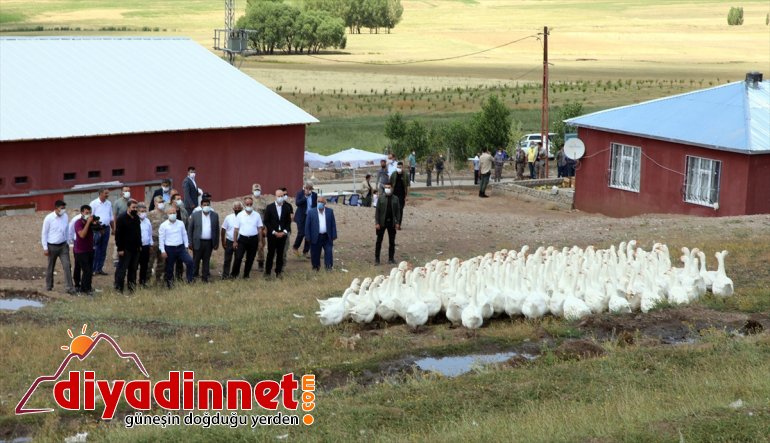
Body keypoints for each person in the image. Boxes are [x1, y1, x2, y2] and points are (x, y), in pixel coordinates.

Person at [41, 200, 75, 294]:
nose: (63, 210)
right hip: (52, 246)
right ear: (56, 208)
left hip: (63, 245)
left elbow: (67, 230)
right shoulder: (49, 218)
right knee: (51, 266)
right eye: (61, 208)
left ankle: (69, 287)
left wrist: (68, 242)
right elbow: (44, 233)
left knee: (67, 265)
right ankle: (49, 285)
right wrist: (45, 247)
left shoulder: (65, 216)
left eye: (64, 208)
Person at [159, 206, 194, 287]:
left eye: (174, 213)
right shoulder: (163, 225)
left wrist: (186, 246)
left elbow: (184, 235)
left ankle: (190, 280)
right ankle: (170, 284)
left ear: (176, 213)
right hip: (169, 248)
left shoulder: (180, 223)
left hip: (181, 248)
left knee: (190, 262)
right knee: (169, 267)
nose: (172, 214)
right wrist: (163, 251)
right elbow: (161, 239)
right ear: (167, 214)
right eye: (170, 213)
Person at [187, 197, 219, 283]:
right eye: (204, 205)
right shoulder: (195, 215)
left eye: (208, 205)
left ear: (210, 205)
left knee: (206, 260)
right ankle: (193, 277)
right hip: (198, 242)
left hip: (209, 242)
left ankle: (205, 278)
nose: (206, 206)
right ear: (201, 206)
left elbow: (217, 230)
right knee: (195, 260)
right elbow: (190, 229)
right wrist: (190, 242)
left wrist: (216, 242)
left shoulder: (215, 215)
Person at [263, 189, 292, 279]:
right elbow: (266, 221)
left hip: (283, 235)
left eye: (282, 196)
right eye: (278, 196)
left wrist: (284, 232)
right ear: (275, 196)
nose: (280, 198)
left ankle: (278, 272)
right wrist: (274, 232)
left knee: (280, 254)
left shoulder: (287, 208)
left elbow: (288, 222)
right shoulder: (269, 207)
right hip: (272, 235)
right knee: (270, 254)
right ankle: (267, 272)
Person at [231, 196, 263, 279]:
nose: (249, 206)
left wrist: (260, 241)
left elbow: (259, 229)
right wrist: (235, 241)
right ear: (244, 205)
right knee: (238, 257)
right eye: (247, 204)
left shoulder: (257, 215)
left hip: (253, 239)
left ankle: (246, 275)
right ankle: (234, 274)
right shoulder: (240, 215)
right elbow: (236, 229)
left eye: (250, 204)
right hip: (242, 239)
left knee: (250, 258)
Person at [114, 199, 141, 293]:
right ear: (128, 207)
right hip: (125, 249)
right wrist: (120, 249)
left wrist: (139, 245)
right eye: (133, 207)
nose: (135, 209)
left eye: (136, 208)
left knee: (133, 269)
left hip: (135, 249)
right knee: (122, 269)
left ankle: (131, 288)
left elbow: (138, 232)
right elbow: (118, 235)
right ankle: (119, 288)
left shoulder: (136, 217)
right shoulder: (121, 218)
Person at [305, 196, 337, 271]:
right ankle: (316, 268)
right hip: (315, 237)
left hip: (327, 236)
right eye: (318, 201)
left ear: (325, 203)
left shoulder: (330, 211)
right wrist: (307, 236)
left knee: (329, 252)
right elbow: (307, 225)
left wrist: (334, 235)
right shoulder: (311, 212)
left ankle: (329, 267)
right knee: (315, 253)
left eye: (321, 202)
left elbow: (333, 224)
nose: (319, 203)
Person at [374, 183, 401, 265]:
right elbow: (377, 211)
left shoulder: (395, 199)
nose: (387, 189)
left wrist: (397, 222)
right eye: (386, 188)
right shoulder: (381, 198)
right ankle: (377, 259)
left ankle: (391, 258)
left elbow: (398, 212)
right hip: (382, 223)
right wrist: (377, 223)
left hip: (392, 223)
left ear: (392, 188)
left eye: (388, 187)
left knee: (392, 242)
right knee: (379, 241)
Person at [90, 188, 114, 275]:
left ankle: (99, 268)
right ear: (100, 193)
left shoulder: (109, 203)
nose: (107, 195)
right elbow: (90, 217)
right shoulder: (93, 203)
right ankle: (93, 269)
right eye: (105, 193)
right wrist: (97, 227)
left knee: (103, 249)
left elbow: (111, 217)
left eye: (108, 193)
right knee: (96, 249)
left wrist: (113, 228)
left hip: (106, 228)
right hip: (97, 229)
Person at [73, 204, 95, 295]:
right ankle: (83, 289)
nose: (88, 215)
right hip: (80, 251)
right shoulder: (78, 223)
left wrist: (97, 225)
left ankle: (88, 287)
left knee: (90, 270)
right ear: (82, 213)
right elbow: (82, 235)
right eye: (86, 213)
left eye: (90, 213)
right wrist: (88, 223)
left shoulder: (90, 222)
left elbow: (100, 232)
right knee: (86, 270)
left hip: (90, 249)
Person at [293, 182, 317, 257]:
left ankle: (305, 252)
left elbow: (315, 206)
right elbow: (297, 203)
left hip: (310, 216)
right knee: (301, 233)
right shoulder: (300, 194)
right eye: (306, 188)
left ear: (312, 189)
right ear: (304, 188)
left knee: (308, 234)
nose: (308, 190)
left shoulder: (314, 195)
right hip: (300, 217)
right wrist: (305, 197)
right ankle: (295, 247)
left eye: (310, 189)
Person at [147, 195, 167, 284]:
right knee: (149, 262)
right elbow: (146, 228)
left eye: (162, 202)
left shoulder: (166, 215)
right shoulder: (150, 214)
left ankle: (158, 279)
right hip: (153, 240)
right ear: (155, 203)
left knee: (162, 262)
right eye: (159, 202)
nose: (161, 203)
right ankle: (146, 280)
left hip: (163, 241)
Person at [220, 201, 242, 279]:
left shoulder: (244, 217)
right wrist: (223, 241)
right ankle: (225, 275)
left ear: (241, 208)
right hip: (229, 240)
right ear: (233, 208)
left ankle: (234, 275)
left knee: (238, 258)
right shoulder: (228, 217)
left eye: (239, 208)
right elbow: (223, 229)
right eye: (236, 208)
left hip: (240, 241)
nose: (237, 209)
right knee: (227, 259)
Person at [251, 184, 268, 272]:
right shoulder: (249, 200)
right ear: (252, 190)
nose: (257, 191)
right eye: (255, 190)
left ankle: (260, 263)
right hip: (250, 227)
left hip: (261, 227)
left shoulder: (264, 201)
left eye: (258, 190)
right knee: (249, 246)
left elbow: (266, 215)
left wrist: (266, 228)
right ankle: (248, 262)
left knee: (261, 245)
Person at [137, 203, 153, 287]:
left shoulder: (147, 221)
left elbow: (150, 234)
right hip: (137, 247)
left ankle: (142, 282)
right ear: (137, 212)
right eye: (141, 211)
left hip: (146, 246)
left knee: (144, 265)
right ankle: (132, 282)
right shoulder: (135, 221)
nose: (143, 213)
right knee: (134, 265)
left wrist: (151, 244)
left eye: (144, 211)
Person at [389, 161, 409, 225]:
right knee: (393, 208)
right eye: (397, 167)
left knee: (400, 209)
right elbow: (390, 184)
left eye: (400, 167)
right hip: (394, 194)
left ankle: (398, 223)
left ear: (402, 167)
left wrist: (407, 196)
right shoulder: (393, 174)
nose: (398, 168)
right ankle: (394, 222)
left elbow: (408, 186)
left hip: (402, 195)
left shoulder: (406, 175)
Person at [280, 188, 294, 265]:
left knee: (285, 247)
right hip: (276, 231)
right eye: (283, 194)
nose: (285, 196)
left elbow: (291, 218)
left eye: (286, 194)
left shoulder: (289, 206)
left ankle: (283, 261)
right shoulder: (272, 206)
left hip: (286, 230)